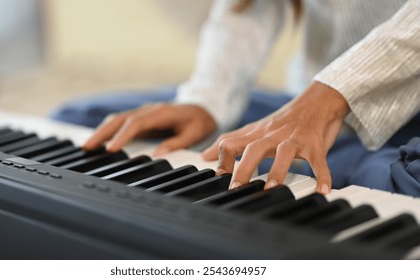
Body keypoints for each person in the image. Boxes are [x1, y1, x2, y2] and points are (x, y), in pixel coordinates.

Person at [51, 0, 420, 197]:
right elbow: (247, 7)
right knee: (83, 120)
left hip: (404, 123)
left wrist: (334, 96)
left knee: (404, 185)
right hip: (303, 101)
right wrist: (207, 100)